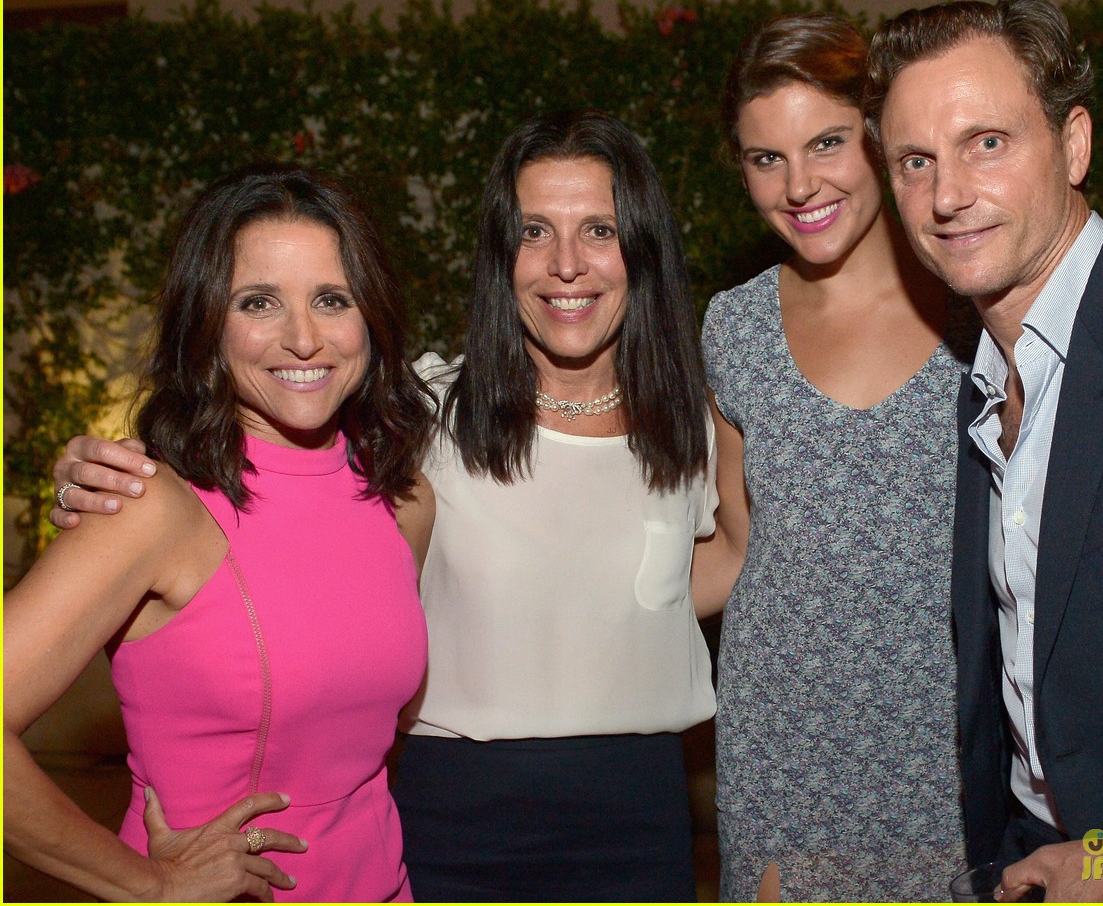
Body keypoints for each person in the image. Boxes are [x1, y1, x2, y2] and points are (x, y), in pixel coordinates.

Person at [49, 111, 717, 902]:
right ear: (501, 256)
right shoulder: (424, 412)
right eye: (534, 230)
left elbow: (711, 563)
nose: (566, 263)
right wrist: (89, 477)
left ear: (641, 249)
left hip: (635, 814)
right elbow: (269, 484)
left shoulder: (693, 423)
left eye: (600, 229)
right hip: (451, 814)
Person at [863, 0, 1103, 903]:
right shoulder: (980, 389)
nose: (946, 195)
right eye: (915, 161)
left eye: (987, 141)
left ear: (1073, 145)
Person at [7, 164, 433, 901]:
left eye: (332, 298)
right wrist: (145, 883)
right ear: (206, 322)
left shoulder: (406, 502)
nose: (304, 338)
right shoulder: (151, 510)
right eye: (258, 301)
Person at [692, 14, 976, 902]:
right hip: (782, 753)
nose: (799, 185)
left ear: (884, 135)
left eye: (827, 142)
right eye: (764, 158)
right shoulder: (733, 328)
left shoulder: (980, 303)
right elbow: (735, 550)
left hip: (955, 756)